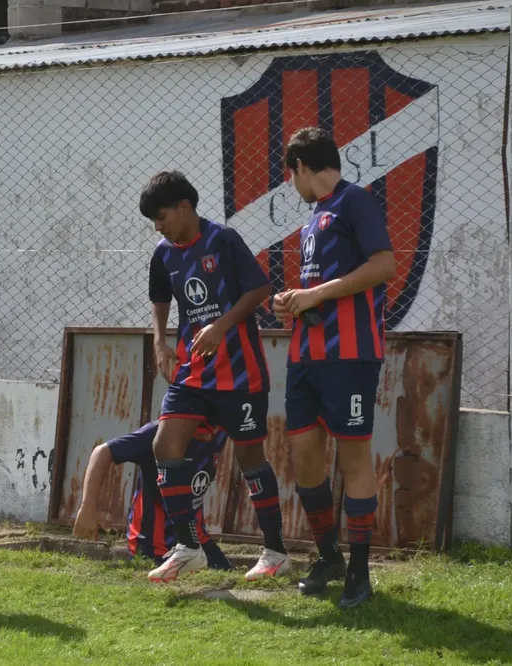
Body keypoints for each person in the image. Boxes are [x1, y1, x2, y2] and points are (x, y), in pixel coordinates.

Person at [141, 171, 289, 583]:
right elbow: (159, 296)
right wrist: (160, 341)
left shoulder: (222, 240)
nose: (158, 226)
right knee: (165, 444)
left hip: (240, 374)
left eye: (161, 215)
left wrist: (221, 325)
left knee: (249, 458)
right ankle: (188, 547)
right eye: (154, 221)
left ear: (185, 207)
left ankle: (275, 552)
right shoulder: (163, 252)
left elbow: (259, 288)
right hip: (193, 371)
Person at [273, 127, 396, 609]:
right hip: (306, 355)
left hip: (350, 355)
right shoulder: (313, 218)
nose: (292, 185)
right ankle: (328, 556)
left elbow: (384, 264)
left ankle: (360, 574)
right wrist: (294, 303)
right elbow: (320, 287)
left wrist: (317, 295)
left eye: (291, 175)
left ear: (302, 166)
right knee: (303, 454)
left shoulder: (354, 202)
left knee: (353, 458)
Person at [73, 421, 233, 572]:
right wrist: (88, 508)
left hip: (198, 539)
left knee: (229, 577)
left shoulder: (219, 433)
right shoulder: (159, 433)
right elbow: (103, 451)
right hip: (153, 547)